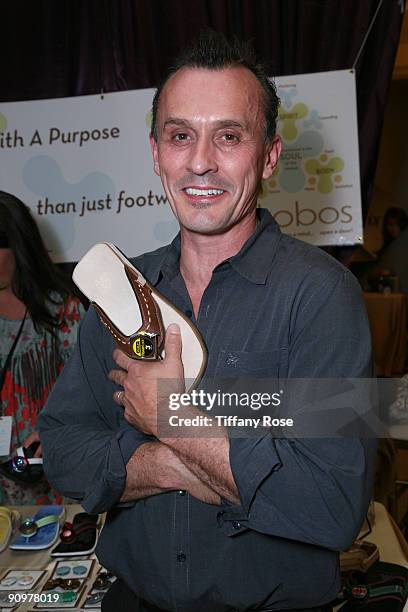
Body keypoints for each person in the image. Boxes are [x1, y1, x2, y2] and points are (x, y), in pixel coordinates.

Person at [39, 32, 376, 612]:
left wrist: (169, 420)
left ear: (268, 154)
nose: (200, 161)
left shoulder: (323, 297)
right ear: (155, 153)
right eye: (180, 136)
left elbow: (331, 503)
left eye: (228, 136)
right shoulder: (119, 292)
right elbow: (64, 450)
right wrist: (188, 466)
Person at [0, 191, 85, 505]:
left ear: (18, 246)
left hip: (46, 474)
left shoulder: (63, 311)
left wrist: (58, 434)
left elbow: (90, 394)